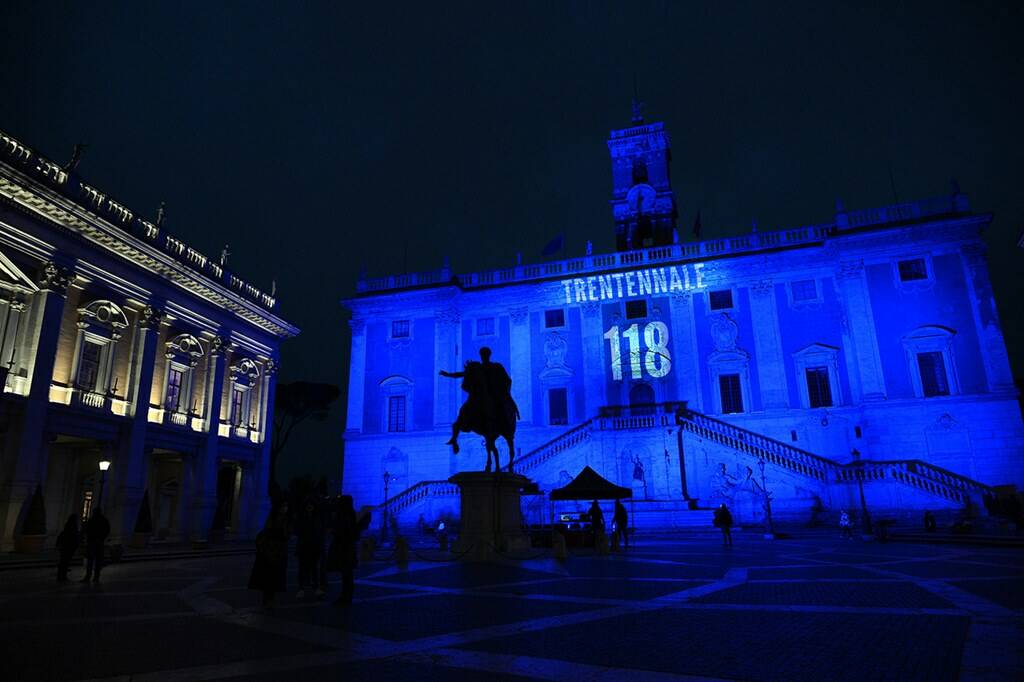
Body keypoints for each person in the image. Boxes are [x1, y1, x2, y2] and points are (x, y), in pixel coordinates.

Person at [327, 495, 370, 606]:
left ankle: (345, 597)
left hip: (343, 548)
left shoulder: (343, 515)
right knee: (347, 574)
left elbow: (342, 531)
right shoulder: (351, 514)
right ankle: (346, 596)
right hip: (348, 548)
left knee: (346, 573)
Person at [249, 504, 289, 608]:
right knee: (270, 578)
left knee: (270, 579)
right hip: (272, 552)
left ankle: (268, 600)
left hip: (272, 552)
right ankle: (268, 600)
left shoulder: (276, 521)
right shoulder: (278, 521)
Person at [294, 495, 325, 598]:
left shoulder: (317, 518)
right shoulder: (302, 517)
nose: (310, 507)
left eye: (311, 505)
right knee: (302, 568)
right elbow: (298, 531)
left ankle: (316, 587)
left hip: (314, 546)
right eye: (308, 505)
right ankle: (301, 588)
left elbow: (319, 532)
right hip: (304, 545)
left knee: (314, 568)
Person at [81, 508, 110, 583]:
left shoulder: (92, 520)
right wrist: (102, 538)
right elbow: (107, 530)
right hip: (99, 542)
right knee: (97, 561)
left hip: (93, 542)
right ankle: (96, 577)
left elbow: (87, 530)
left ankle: (88, 576)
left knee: (91, 560)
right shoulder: (103, 520)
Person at [56, 514, 80, 582]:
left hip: (66, 546)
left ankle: (61, 575)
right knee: (65, 562)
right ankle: (62, 576)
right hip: (69, 546)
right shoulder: (73, 527)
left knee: (63, 562)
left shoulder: (68, 526)